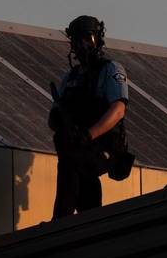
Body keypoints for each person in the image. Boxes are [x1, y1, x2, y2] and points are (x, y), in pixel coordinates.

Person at [49, 15, 132, 219]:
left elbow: (118, 109)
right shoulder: (71, 78)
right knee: (80, 174)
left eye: (88, 38)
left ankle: (61, 219)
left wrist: (89, 134)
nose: (83, 45)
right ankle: (92, 222)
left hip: (104, 146)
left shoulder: (110, 69)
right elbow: (54, 120)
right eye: (77, 41)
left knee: (72, 163)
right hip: (78, 146)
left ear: (98, 39)